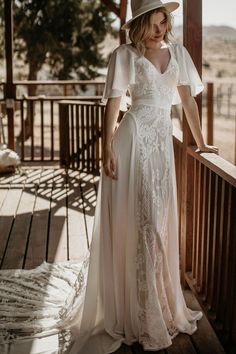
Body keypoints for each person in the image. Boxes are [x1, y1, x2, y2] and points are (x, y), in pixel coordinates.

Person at [0, 1, 219, 354]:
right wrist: (107, 148)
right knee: (142, 222)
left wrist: (202, 142)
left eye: (165, 21)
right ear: (141, 23)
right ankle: (137, 312)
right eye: (154, 22)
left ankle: (158, 303)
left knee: (158, 221)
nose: (161, 29)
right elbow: (115, 103)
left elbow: (188, 103)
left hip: (162, 145)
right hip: (131, 141)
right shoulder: (124, 55)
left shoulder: (178, 52)